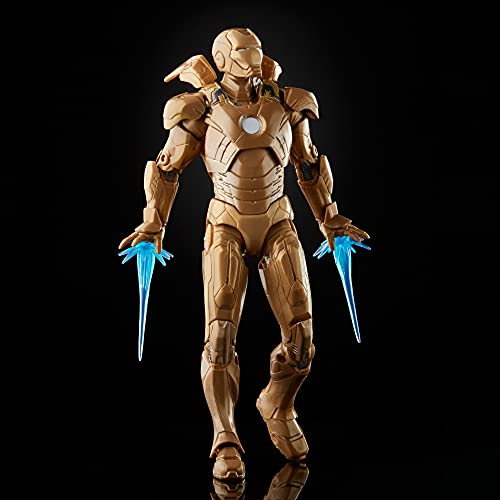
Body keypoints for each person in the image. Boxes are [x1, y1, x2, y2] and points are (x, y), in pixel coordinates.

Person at [119, 27, 369, 481]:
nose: (249, 59)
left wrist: (331, 219)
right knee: (218, 335)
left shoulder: (289, 102)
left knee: (302, 337)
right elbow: (168, 168)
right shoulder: (198, 108)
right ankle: (225, 438)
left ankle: (277, 404)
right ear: (220, 60)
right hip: (226, 222)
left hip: (277, 219)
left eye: (254, 51)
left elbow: (308, 163)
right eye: (238, 53)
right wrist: (153, 224)